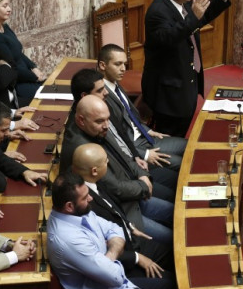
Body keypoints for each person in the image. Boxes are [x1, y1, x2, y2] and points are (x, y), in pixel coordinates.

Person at [47, 172, 176, 289]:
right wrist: (113, 253)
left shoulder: (79, 213)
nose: (91, 198)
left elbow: (114, 228)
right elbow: (114, 277)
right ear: (69, 206)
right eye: (85, 197)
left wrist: (110, 254)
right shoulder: (68, 239)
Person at [60, 95, 173, 244]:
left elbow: (125, 157)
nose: (107, 125)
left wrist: (142, 175)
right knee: (172, 238)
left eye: (107, 119)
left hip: (134, 192)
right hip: (124, 210)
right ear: (81, 120)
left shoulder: (98, 127)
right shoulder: (82, 149)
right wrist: (144, 186)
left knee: (175, 212)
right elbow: (115, 189)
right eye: (100, 121)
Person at [142, 0, 236, 137]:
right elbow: (171, 37)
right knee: (169, 142)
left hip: (184, 84)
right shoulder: (157, 12)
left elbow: (200, 19)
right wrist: (193, 17)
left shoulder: (181, 4)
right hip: (168, 94)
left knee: (182, 134)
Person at [71, 144, 173, 275]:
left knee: (172, 252)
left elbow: (112, 208)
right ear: (94, 171)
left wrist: (129, 226)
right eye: (105, 161)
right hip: (125, 260)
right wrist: (136, 257)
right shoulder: (84, 202)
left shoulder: (89, 179)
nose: (108, 163)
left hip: (131, 236)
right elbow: (103, 250)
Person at [98, 44, 187, 171]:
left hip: (144, 136)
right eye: (118, 64)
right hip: (135, 148)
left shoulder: (114, 83)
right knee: (184, 163)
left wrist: (147, 130)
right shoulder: (101, 95)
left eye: (124, 64)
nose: (123, 69)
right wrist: (144, 154)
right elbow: (115, 139)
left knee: (190, 147)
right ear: (103, 65)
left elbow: (130, 115)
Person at [0, 0, 45, 105]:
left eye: (9, 5)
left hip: (29, 77)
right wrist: (34, 77)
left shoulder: (5, 27)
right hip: (18, 84)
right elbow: (12, 65)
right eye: (4, 6)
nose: (9, 9)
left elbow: (18, 53)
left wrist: (34, 67)